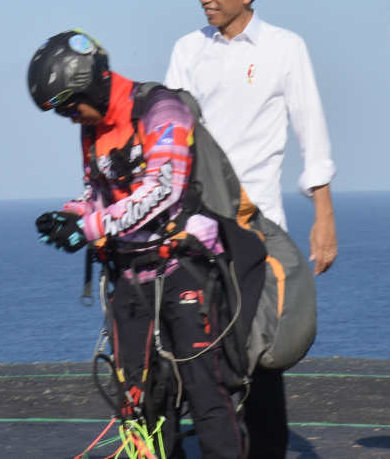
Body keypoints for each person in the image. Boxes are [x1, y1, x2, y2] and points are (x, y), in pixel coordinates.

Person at [28, 30, 248, 459]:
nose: (70, 118)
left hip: (185, 268)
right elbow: (99, 194)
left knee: (208, 398)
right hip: (130, 277)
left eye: (69, 106)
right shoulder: (92, 130)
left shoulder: (162, 108)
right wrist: (69, 216)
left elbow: (162, 190)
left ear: (88, 83)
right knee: (142, 406)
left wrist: (89, 228)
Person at [164, 0, 337, 459]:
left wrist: (323, 217)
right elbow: (168, 138)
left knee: (259, 352)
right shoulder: (186, 50)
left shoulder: (285, 48)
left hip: (257, 227)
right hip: (194, 226)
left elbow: (313, 132)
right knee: (189, 345)